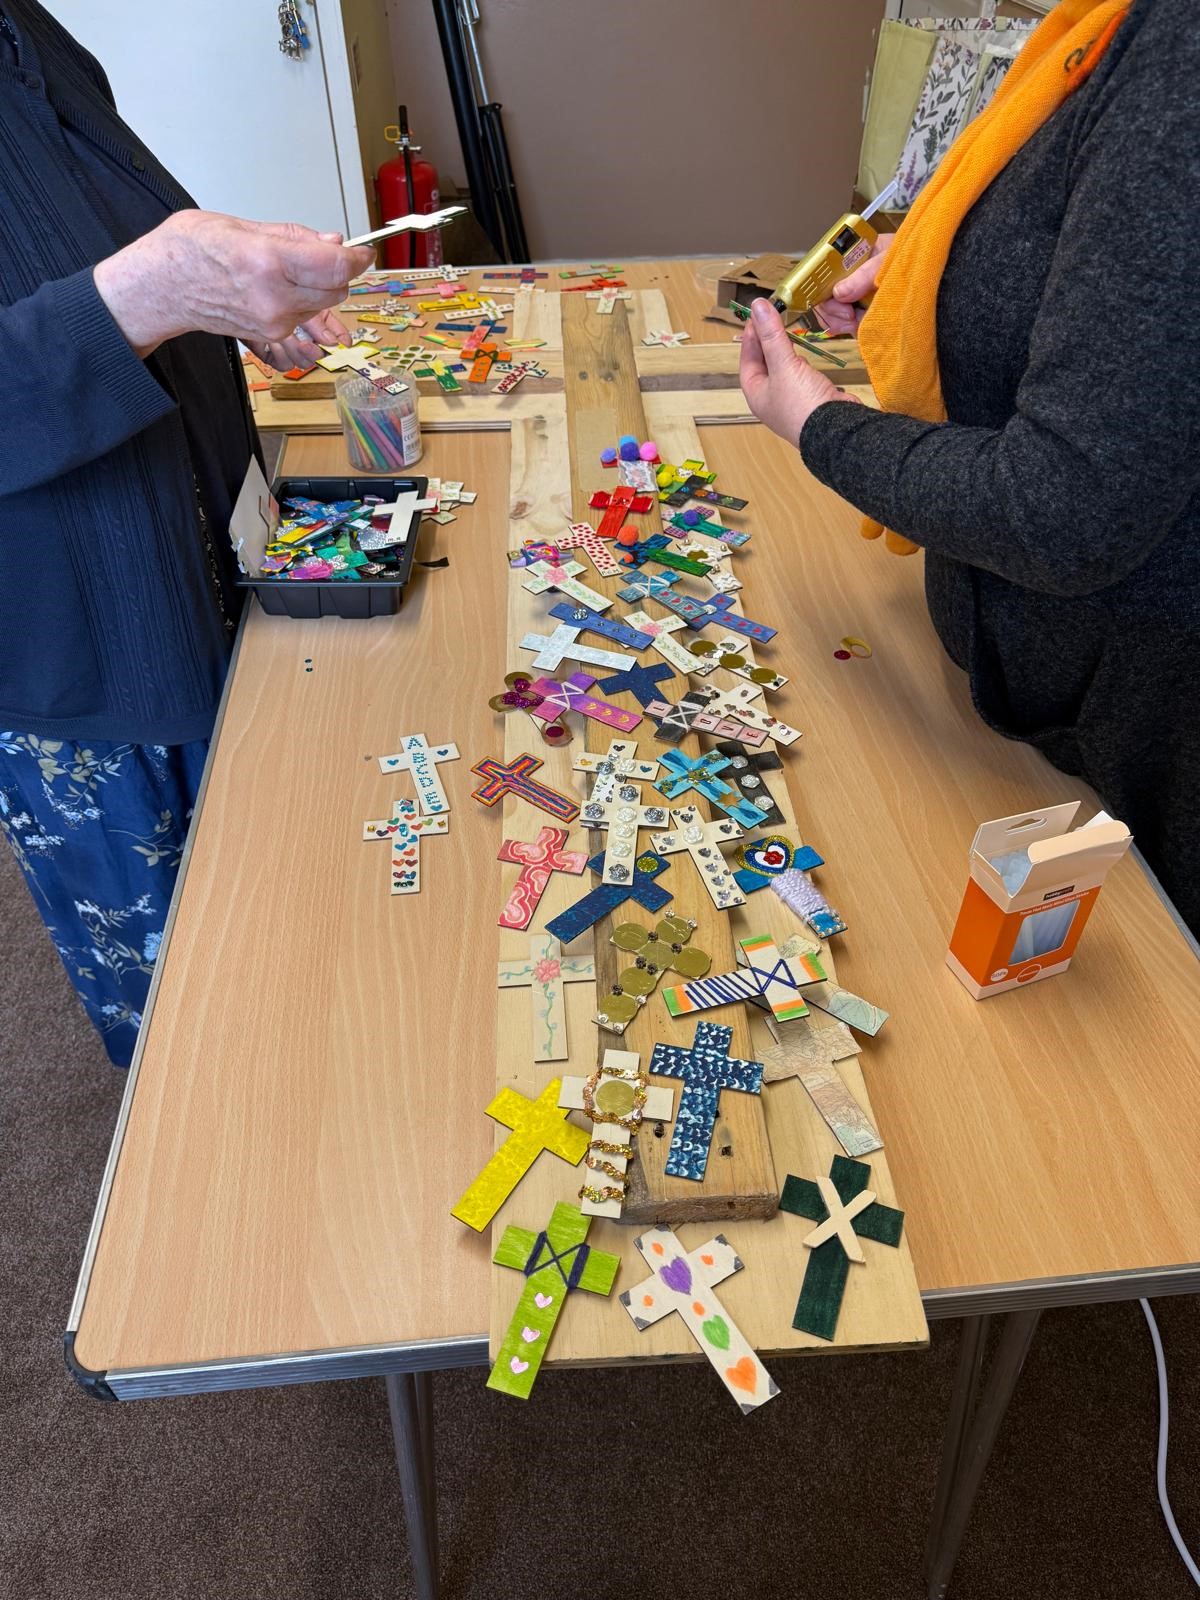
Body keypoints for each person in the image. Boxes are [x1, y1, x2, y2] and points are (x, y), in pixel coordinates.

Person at [740, 0, 1200, 936]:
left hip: (1146, 752)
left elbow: (1065, 508)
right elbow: (1103, 269)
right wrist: (936, 274)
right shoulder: (1112, 23)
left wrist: (820, 424)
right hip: (1004, 705)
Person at [0, 0, 373, 1064]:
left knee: (302, 940)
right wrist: (157, 287)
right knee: (199, 1044)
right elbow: (120, 293)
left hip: (211, 554)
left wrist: (228, 295)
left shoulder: (27, 26)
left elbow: (96, 252)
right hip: (87, 668)